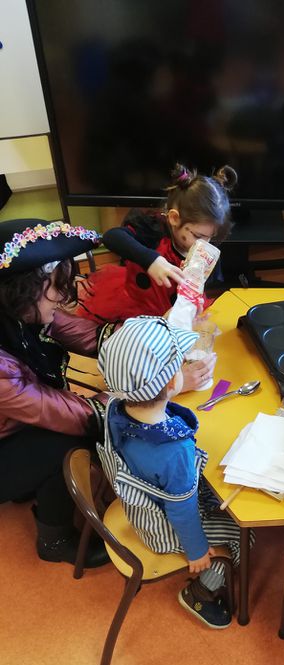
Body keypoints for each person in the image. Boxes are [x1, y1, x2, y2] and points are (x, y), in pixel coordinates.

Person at [97, 315, 250, 629]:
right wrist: (196, 550)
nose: (185, 367)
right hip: (162, 528)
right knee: (243, 535)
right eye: (181, 364)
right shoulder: (173, 451)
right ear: (170, 383)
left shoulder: (117, 402)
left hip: (143, 497)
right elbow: (181, 509)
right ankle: (202, 590)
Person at [0, 218, 115, 567]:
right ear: (23, 289)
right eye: (56, 288)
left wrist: (145, 345)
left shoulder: (20, 312)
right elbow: (62, 413)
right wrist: (125, 398)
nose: (64, 298)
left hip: (12, 425)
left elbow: (86, 335)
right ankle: (54, 540)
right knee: (67, 439)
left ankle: (25, 483)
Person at [77, 162, 237, 324]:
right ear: (174, 218)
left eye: (210, 237)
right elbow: (112, 236)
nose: (203, 243)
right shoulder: (151, 228)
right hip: (138, 310)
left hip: (174, 315)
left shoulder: (203, 250)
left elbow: (198, 289)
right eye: (197, 236)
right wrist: (152, 260)